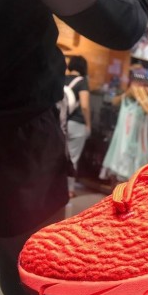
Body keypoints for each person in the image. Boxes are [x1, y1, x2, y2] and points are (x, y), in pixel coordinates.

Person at [0, 0, 148, 295]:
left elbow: (126, 23)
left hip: (22, 124)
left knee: (29, 282)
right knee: (29, 281)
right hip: (26, 125)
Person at [65, 55, 91, 197]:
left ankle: (53, 185)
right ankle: (69, 189)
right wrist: (88, 124)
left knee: (60, 155)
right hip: (77, 124)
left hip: (62, 122)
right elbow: (85, 106)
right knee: (73, 158)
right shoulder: (82, 82)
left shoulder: (63, 79)